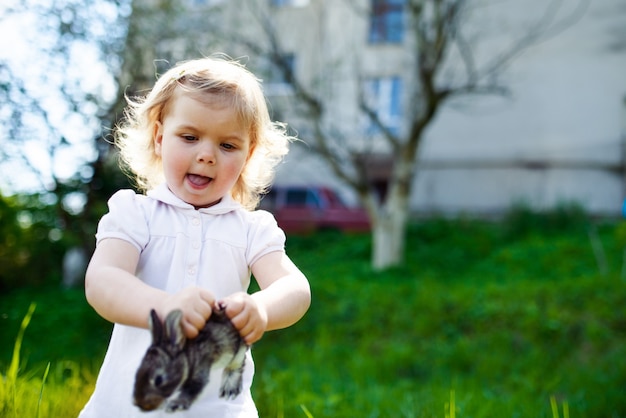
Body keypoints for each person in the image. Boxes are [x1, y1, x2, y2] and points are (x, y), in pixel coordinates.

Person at [79, 56, 311, 417]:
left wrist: (260, 309)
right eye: (189, 137)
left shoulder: (251, 230)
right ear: (159, 138)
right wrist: (165, 308)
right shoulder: (135, 214)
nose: (206, 155)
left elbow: (295, 288)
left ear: (247, 156)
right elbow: (102, 281)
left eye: (228, 146)